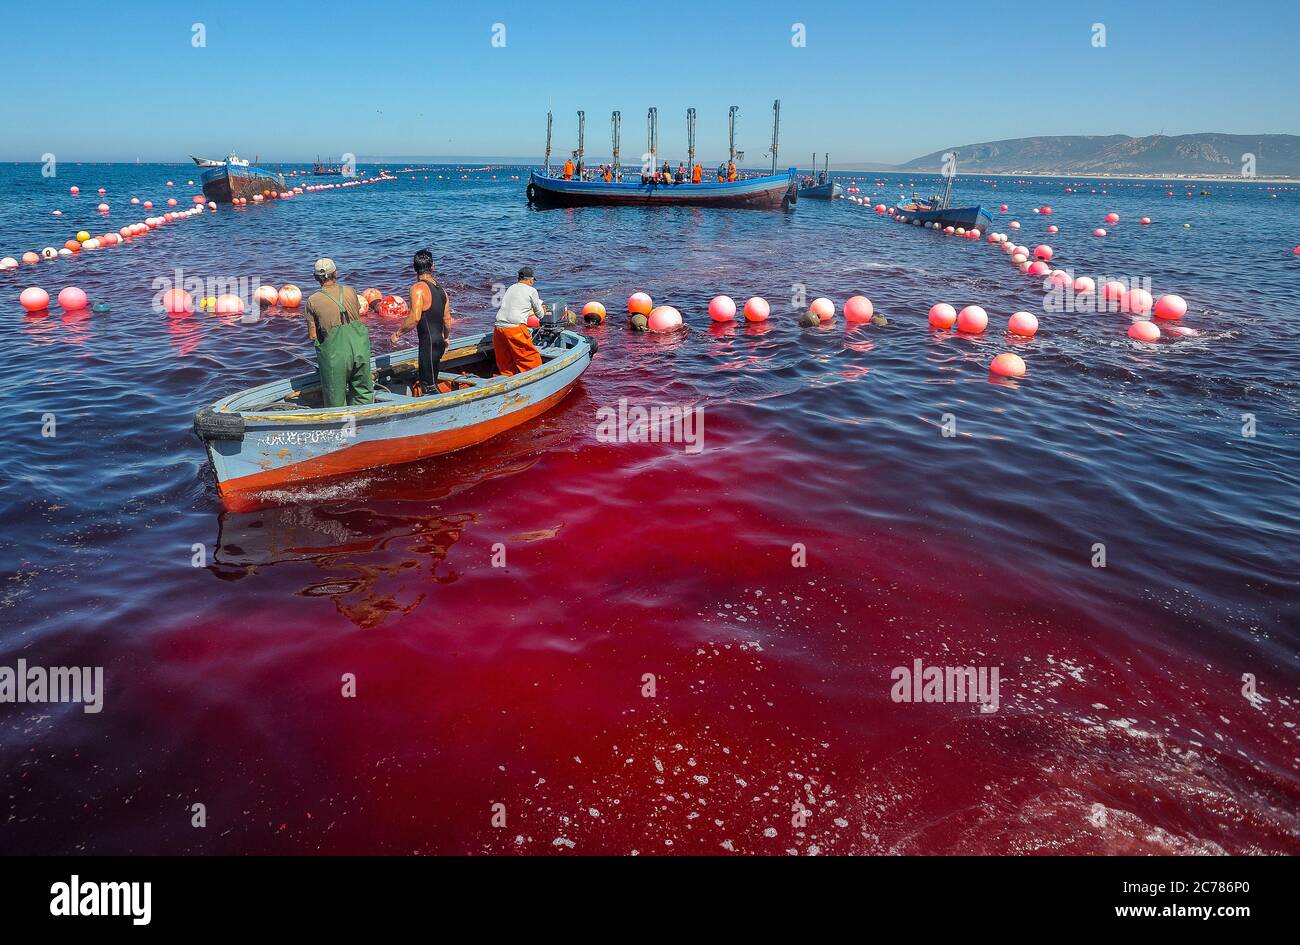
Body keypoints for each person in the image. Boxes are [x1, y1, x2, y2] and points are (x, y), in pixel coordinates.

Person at [304, 258, 373, 408]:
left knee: (335, 399)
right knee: (363, 393)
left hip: (335, 356)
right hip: (360, 348)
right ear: (336, 273)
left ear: (316, 277)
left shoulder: (312, 301)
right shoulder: (350, 291)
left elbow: (313, 336)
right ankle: (364, 423)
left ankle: (343, 429)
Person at [390, 249, 451, 396]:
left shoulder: (417, 289)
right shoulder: (442, 291)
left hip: (428, 346)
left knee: (429, 388)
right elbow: (447, 320)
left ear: (414, 268)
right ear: (433, 266)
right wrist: (447, 338)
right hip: (439, 344)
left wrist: (398, 334)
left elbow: (415, 318)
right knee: (432, 380)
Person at [493, 266, 544, 376]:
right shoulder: (532, 290)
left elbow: (513, 308)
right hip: (515, 329)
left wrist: (528, 312)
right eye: (533, 281)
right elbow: (540, 314)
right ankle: (535, 379)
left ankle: (507, 379)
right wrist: (542, 310)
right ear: (530, 279)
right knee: (530, 359)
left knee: (505, 360)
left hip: (498, 328)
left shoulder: (511, 288)